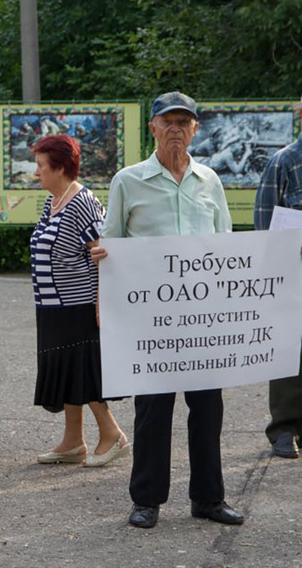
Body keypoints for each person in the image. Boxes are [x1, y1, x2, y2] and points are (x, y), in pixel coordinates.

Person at [92, 92, 243, 529]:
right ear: (153, 128)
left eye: (184, 121)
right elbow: (111, 244)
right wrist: (105, 301)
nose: (176, 128)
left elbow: (227, 246)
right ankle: (147, 500)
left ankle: (209, 498)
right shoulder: (129, 180)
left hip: (202, 319)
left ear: (196, 129)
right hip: (150, 319)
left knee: (208, 408)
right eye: (168, 121)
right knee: (153, 409)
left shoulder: (209, 180)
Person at [28, 135, 129, 468]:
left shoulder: (82, 201)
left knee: (83, 371)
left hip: (79, 306)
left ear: (59, 167)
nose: (36, 172)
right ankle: (73, 442)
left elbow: (103, 253)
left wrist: (102, 302)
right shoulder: (53, 200)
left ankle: (112, 434)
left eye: (41, 165)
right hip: (52, 306)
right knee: (67, 371)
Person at [253, 94, 302, 459]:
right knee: (288, 350)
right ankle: (284, 429)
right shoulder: (284, 162)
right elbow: (264, 224)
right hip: (292, 273)